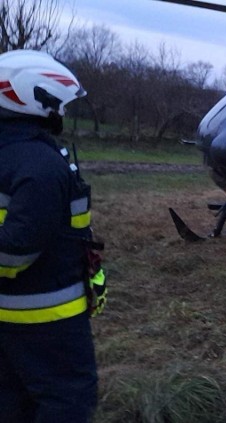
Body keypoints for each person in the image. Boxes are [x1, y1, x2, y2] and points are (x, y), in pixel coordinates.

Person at [0, 50, 102, 421]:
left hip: (10, 317)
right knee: (67, 401)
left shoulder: (11, 154)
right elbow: (13, 252)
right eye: (58, 102)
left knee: (12, 400)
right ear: (35, 96)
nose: (61, 111)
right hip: (46, 319)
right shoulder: (40, 165)